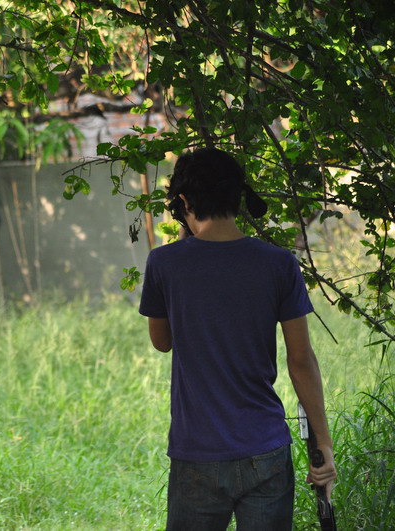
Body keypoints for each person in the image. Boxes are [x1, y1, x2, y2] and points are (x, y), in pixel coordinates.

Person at [138, 147, 337, 530]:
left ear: (184, 202)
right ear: (238, 197)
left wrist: (186, 237)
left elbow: (162, 341)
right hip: (265, 449)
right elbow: (301, 360)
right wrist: (322, 444)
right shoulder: (279, 264)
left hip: (197, 452)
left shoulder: (165, 263)